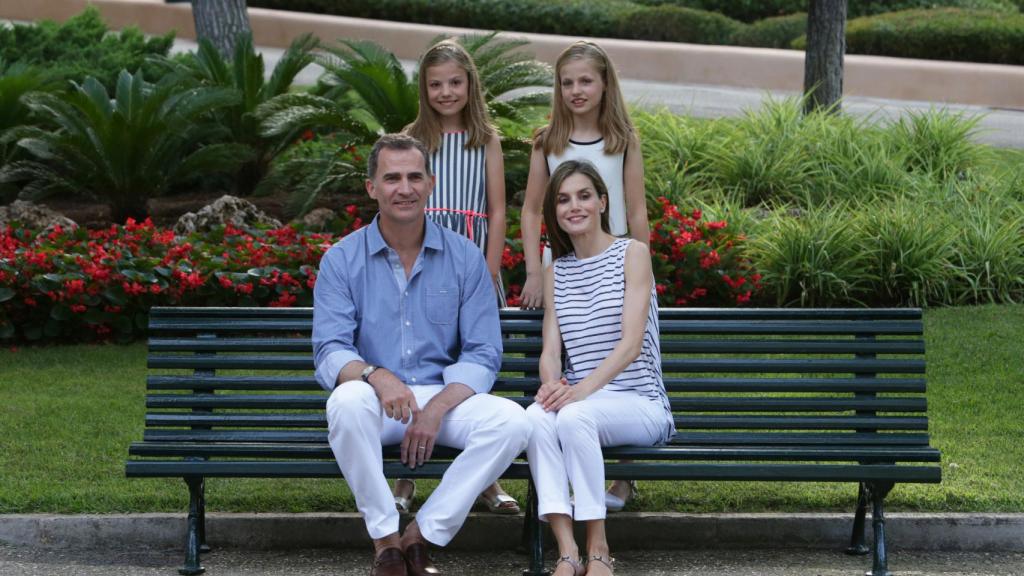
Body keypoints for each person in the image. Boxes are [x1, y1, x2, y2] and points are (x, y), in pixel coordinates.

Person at [313, 133, 531, 576]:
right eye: (391, 178)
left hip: (443, 398)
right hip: (379, 402)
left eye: (414, 176)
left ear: (431, 183)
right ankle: (386, 541)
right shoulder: (341, 260)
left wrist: (436, 409)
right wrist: (377, 375)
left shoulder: (465, 257)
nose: (404, 188)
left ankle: (421, 536)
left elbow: (484, 351)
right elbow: (331, 350)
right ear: (372, 187)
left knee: (514, 421)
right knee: (345, 401)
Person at [519, 39, 650, 511]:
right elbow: (533, 210)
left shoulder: (622, 140)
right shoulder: (547, 141)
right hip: (568, 276)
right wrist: (536, 271)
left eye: (585, 81)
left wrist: (644, 269)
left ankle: (624, 476)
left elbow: (636, 209)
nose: (576, 90)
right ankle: (572, 475)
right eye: (567, 82)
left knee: (625, 368)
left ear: (603, 84)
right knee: (570, 365)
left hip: (618, 271)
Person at [525, 161, 673, 576]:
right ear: (555, 212)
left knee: (573, 417)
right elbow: (551, 350)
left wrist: (576, 393)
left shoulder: (632, 254)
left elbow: (630, 346)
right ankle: (567, 550)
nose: (575, 206)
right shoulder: (557, 273)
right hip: (585, 400)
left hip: (639, 403)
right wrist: (552, 387)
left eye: (584, 196)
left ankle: (599, 547)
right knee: (536, 418)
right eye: (563, 199)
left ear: (603, 202)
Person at [394, 38, 519, 516]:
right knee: (421, 361)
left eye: (455, 83)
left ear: (471, 84)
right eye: (436, 84)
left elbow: (498, 209)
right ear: (424, 89)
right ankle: (406, 479)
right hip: (423, 257)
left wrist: (489, 270)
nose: (446, 92)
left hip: (473, 259)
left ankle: (486, 481)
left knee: (474, 363)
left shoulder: (484, 137)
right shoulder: (413, 136)